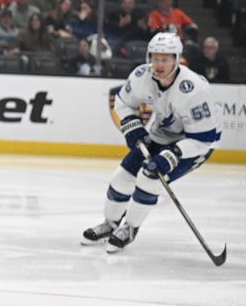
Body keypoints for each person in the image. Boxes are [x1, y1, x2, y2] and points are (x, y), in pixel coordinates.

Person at [82, 32, 221, 252]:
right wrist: (131, 125)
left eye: (165, 59)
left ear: (177, 59)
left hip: (194, 145)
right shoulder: (141, 76)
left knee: (149, 180)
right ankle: (110, 224)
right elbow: (122, 102)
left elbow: (204, 139)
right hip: (160, 134)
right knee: (121, 178)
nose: (159, 64)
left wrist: (173, 154)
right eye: (155, 58)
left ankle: (130, 228)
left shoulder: (194, 90)